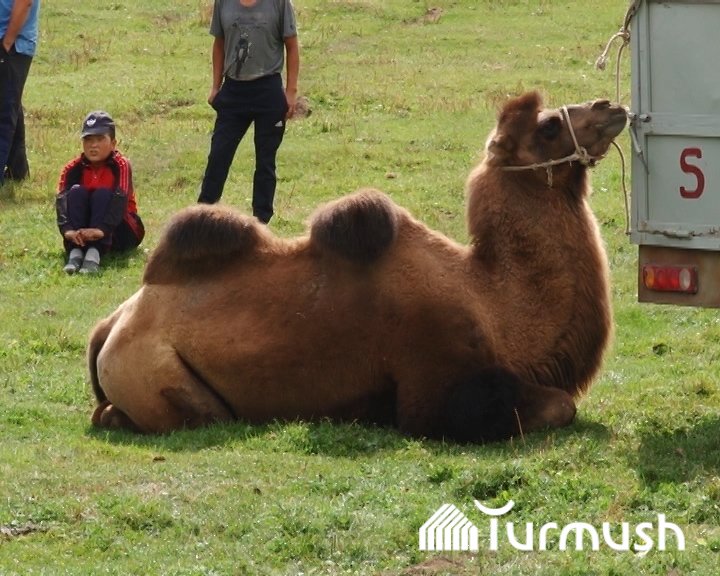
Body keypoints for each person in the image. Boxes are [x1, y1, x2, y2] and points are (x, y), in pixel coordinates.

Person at [197, 0, 300, 224]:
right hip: (234, 90)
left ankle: (261, 224)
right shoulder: (223, 3)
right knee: (218, 155)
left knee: (265, 161)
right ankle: (202, 219)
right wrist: (215, 87)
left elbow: (292, 45)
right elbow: (219, 43)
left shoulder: (279, 3)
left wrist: (290, 92)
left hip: (268, 90)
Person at [55, 111, 145, 274]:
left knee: (102, 194)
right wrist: (67, 230)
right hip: (85, 229)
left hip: (120, 229)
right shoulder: (72, 168)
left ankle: (93, 255)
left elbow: (120, 200)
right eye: (88, 140)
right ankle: (75, 252)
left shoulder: (121, 165)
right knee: (76, 192)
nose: (93, 145)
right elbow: (62, 201)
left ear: (113, 143)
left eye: (99, 139)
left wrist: (101, 230)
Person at [0, 0, 40, 186]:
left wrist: (7, 42)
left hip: (13, 44)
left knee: (4, 112)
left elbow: (24, 2)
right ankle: (17, 170)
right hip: (8, 42)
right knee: (10, 104)